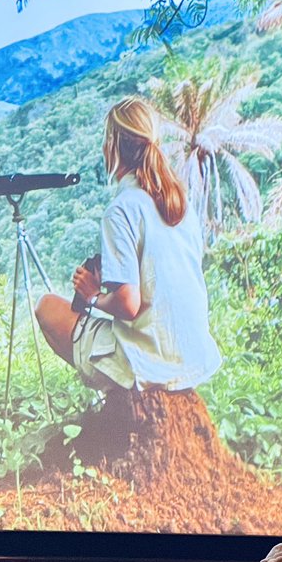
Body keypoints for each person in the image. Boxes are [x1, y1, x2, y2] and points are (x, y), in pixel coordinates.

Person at [36, 96, 221, 392]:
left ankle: (117, 394)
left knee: (46, 307)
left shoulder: (121, 209)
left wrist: (93, 295)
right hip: (192, 353)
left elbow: (128, 304)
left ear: (112, 146)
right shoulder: (179, 203)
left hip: (149, 360)